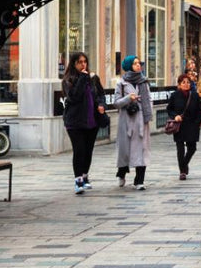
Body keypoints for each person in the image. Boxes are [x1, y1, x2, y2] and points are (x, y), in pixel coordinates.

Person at [61, 52, 106, 194]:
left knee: (88, 151)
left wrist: (101, 104)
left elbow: (100, 94)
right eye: (80, 62)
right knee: (79, 150)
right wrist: (81, 78)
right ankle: (78, 179)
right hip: (74, 122)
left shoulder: (93, 78)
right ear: (74, 64)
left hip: (91, 121)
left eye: (85, 61)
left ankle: (85, 175)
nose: (83, 64)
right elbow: (74, 96)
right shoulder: (68, 80)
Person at [114, 55, 153, 189]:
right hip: (127, 120)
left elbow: (149, 98)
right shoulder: (121, 83)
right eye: (135, 63)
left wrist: (148, 111)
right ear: (129, 66)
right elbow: (116, 103)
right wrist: (128, 98)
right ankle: (122, 172)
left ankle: (139, 181)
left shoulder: (144, 82)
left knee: (142, 150)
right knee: (125, 151)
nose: (138, 65)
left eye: (139, 63)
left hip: (142, 120)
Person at [167, 70, 201, 179]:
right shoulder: (174, 96)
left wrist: (197, 123)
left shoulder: (195, 96)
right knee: (180, 148)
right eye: (183, 82)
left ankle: (184, 164)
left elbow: (199, 110)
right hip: (180, 125)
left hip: (192, 124)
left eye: (188, 82)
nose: (186, 84)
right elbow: (169, 109)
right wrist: (175, 116)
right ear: (179, 85)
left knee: (192, 148)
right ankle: (182, 171)